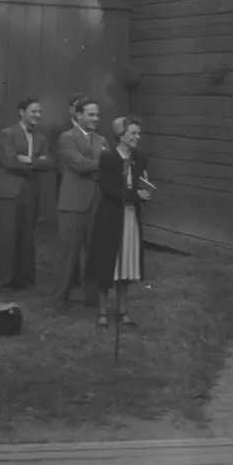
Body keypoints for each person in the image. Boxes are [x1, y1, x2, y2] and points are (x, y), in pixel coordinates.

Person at [86, 115, 153, 329]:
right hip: (111, 217)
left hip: (131, 217)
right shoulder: (108, 158)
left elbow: (145, 183)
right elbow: (107, 189)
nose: (137, 137)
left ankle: (123, 310)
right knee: (108, 262)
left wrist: (146, 193)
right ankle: (103, 310)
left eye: (137, 133)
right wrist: (134, 195)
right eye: (132, 133)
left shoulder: (140, 157)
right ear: (120, 135)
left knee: (128, 262)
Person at [0, 98, 56, 290]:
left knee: (28, 235)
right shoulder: (8, 133)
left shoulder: (41, 138)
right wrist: (36, 161)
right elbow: (10, 161)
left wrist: (28, 160)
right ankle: (5, 280)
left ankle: (25, 279)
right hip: (9, 191)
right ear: (22, 112)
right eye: (33, 111)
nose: (37, 115)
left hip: (30, 190)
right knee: (7, 235)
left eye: (39, 112)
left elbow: (49, 164)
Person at [52, 97, 106, 309]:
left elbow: (106, 165)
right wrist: (100, 165)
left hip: (96, 201)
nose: (95, 118)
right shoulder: (67, 138)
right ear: (79, 116)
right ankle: (60, 298)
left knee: (94, 252)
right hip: (73, 203)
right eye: (91, 115)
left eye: (97, 115)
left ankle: (92, 299)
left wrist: (98, 166)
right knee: (69, 253)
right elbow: (78, 164)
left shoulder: (101, 139)